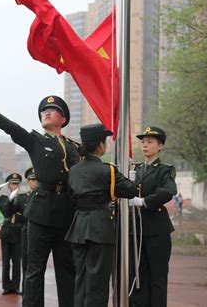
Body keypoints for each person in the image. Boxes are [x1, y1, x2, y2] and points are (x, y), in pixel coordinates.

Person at [0, 90, 79, 307]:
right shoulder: (35, 140)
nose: (46, 113)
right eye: (44, 111)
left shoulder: (73, 147)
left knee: (67, 271)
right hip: (40, 214)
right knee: (34, 271)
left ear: (63, 119)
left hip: (65, 215)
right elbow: (11, 127)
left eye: (52, 110)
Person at [66, 124, 140, 307]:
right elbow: (131, 191)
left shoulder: (73, 171)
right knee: (98, 282)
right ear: (100, 145)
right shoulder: (108, 170)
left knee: (81, 280)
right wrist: (131, 176)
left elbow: (71, 198)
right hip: (100, 227)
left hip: (78, 227)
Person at [127, 126, 177, 307]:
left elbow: (169, 190)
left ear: (160, 146)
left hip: (156, 229)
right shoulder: (135, 169)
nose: (145, 145)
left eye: (150, 142)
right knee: (137, 276)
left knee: (157, 277)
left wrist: (144, 202)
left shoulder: (165, 169)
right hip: (136, 230)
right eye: (143, 142)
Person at [0, 173, 22, 295]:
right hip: (6, 233)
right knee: (6, 261)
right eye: (12, 184)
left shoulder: (23, 198)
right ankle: (6, 286)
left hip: (18, 233)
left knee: (17, 262)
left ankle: (16, 286)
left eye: (17, 184)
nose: (15, 186)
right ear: (8, 186)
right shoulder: (2, 199)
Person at [13, 167, 36, 293]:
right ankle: (26, 291)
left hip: (40, 235)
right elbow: (9, 211)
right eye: (32, 179)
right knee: (26, 265)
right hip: (26, 232)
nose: (35, 182)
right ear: (28, 181)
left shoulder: (44, 197)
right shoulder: (21, 198)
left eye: (36, 179)